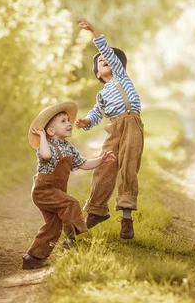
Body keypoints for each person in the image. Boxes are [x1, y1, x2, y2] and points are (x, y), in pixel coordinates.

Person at [23, 101, 115, 270]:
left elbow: (84, 163)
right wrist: (42, 137)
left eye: (68, 120)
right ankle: (72, 239)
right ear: (51, 131)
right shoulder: (47, 145)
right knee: (71, 203)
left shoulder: (69, 148)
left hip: (56, 192)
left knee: (53, 225)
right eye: (63, 121)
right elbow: (45, 154)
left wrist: (101, 160)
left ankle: (33, 257)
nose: (69, 123)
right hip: (44, 191)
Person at [75, 17, 144, 240]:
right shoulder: (102, 94)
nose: (105, 60)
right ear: (97, 74)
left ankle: (126, 217)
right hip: (114, 127)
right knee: (105, 167)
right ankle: (96, 210)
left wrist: (94, 31)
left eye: (109, 60)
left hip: (131, 124)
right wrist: (87, 121)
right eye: (101, 61)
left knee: (127, 167)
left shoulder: (121, 78)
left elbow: (105, 49)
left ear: (117, 66)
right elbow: (96, 114)